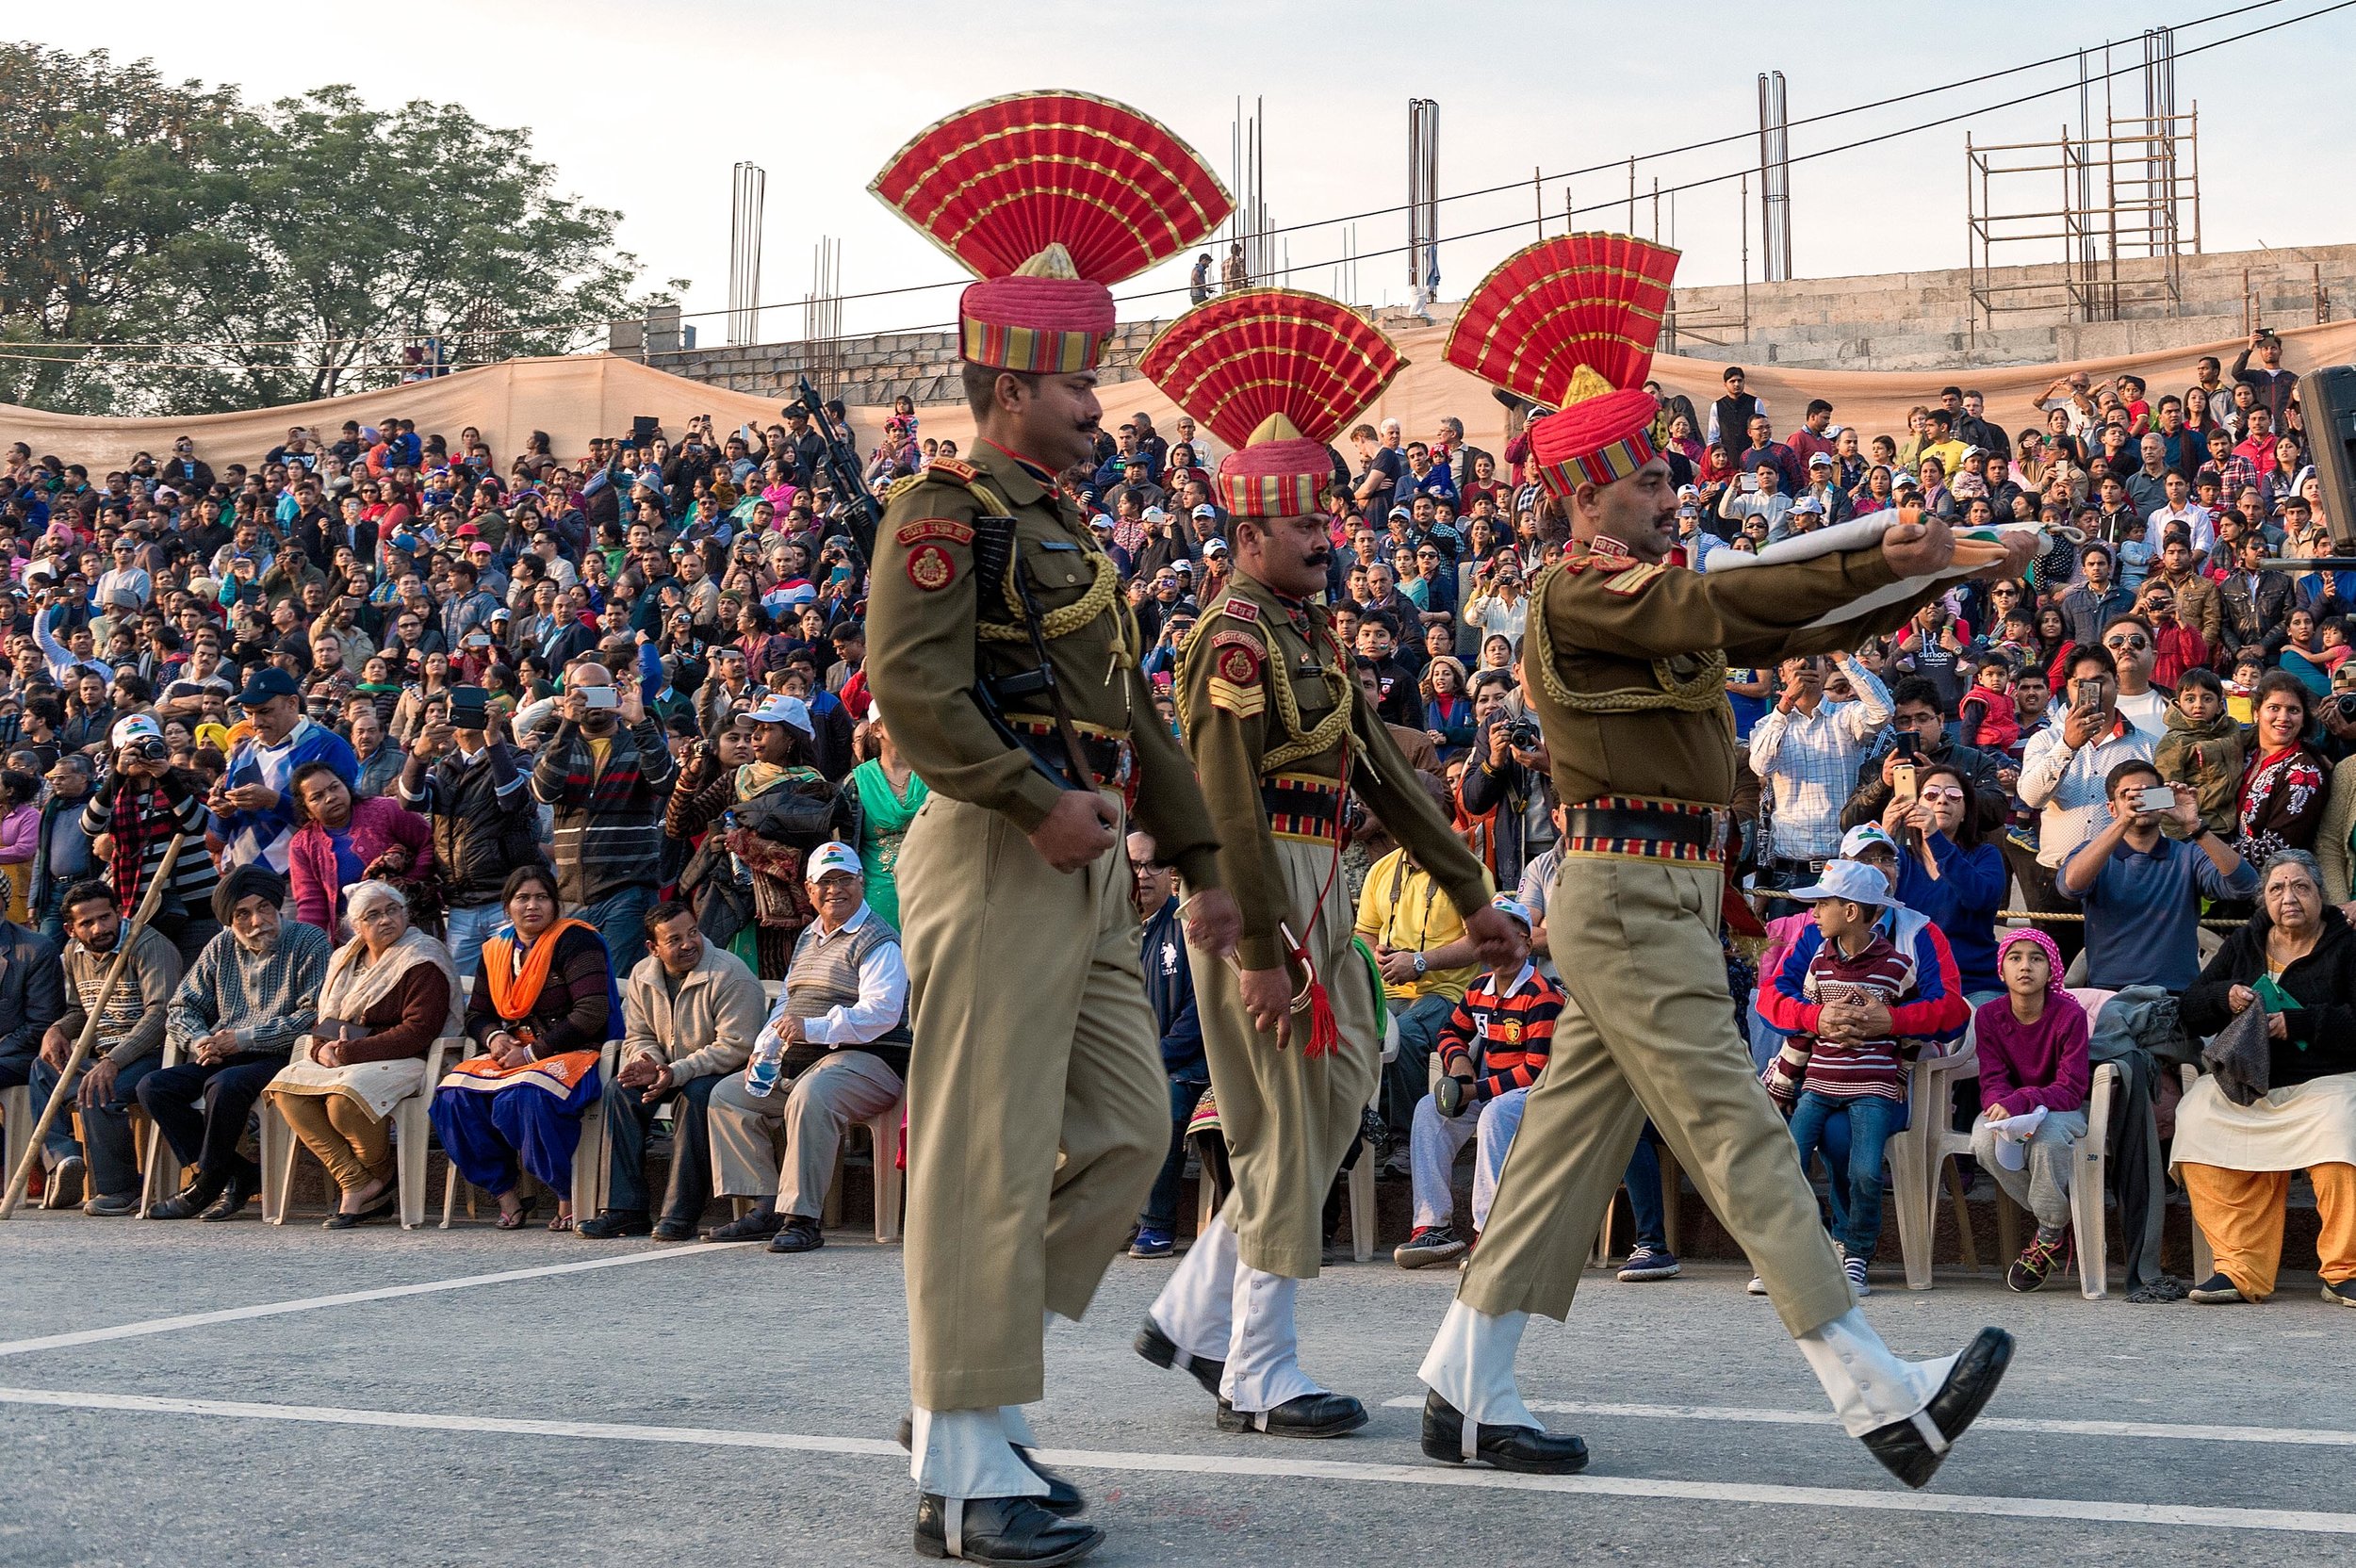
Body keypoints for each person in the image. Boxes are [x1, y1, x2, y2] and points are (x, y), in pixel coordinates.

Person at [1415, 234, 2030, 1489]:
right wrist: (1882, 559)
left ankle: (1462, 1385)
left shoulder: (1634, 581)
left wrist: (1928, 570)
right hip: (1632, 896)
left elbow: (1787, 610)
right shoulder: (1581, 593)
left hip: (1656, 896)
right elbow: (1731, 607)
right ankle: (1877, 1393)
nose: (1671, 498)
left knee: (1564, 1152)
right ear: (1587, 494)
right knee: (1743, 1134)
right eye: (1646, 485)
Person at [862, 92, 1242, 1558]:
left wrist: (1203, 861)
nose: (1102, 402)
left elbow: (1137, 715)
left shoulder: (1068, 528)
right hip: (995, 843)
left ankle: (960, 1387)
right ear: (1011, 383)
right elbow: (913, 694)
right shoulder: (940, 510)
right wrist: (1031, 805)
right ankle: (963, 1461)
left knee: (1127, 1127)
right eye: (1079, 380)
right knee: (983, 1143)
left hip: (1081, 860)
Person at [1132, 295, 1512, 1442]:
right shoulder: (1233, 639)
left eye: (1327, 521)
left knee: (1336, 1100)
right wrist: (1254, 945)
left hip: (1322, 887)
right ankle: (1257, 1368)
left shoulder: (1309, 635)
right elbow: (1227, 801)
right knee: (1281, 1131)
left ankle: (1190, 1308)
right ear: (1246, 537)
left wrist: (1473, 896)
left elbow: (1389, 784)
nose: (1325, 538)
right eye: (1302, 525)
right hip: (1262, 892)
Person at [702, 842, 909, 1251]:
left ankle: (802, 1218)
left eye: (845, 880)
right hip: (808, 1061)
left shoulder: (880, 941)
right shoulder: (808, 937)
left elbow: (880, 1015)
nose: (836, 890)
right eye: (826, 882)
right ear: (809, 890)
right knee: (728, 1096)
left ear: (861, 883)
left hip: (870, 1063)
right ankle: (765, 1204)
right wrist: (765, 1048)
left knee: (811, 1096)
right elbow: (787, 1002)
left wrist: (810, 1028)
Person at [2176, 851, 2356, 1307]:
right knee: (2196, 1119)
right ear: (2263, 900)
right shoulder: (2245, 942)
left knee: (2341, 1135)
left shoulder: (2347, 945)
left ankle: (2344, 1270)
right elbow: (2190, 1009)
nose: (2288, 897)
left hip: (2327, 1079)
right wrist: (2225, 996)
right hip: (2253, 1082)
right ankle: (2239, 1269)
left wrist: (2296, 1023)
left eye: (2301, 887)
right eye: (2276, 888)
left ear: (2321, 895)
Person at [429, 862, 621, 1233]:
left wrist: (532, 1054)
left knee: (521, 1098)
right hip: (517, 1051)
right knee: (452, 1096)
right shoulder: (496, 950)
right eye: (522, 898)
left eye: (541, 898)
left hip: (575, 1051)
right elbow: (477, 1015)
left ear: (555, 905)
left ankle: (566, 1195)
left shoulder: (575, 940)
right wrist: (495, 1038)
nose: (532, 906)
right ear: (507, 907)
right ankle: (507, 1195)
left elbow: (592, 1011)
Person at [1759, 860, 1922, 1298]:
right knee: (1785, 1162)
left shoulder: (1898, 966)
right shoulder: (1818, 962)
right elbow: (1804, 1023)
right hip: (1818, 1085)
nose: (1813, 915)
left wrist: (1900, 1064)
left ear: (1851, 912)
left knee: (1867, 1172)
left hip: (1872, 1090)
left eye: (1822, 905)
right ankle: (1794, 1251)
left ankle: (1856, 1251)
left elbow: (1914, 1026)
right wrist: (1792, 1069)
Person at [262, 879, 461, 1227]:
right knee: (285, 1090)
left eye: (392, 911)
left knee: (344, 1101)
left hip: (410, 1058)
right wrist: (323, 1050)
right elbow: (327, 1018)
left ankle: (362, 1188)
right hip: (348, 1056)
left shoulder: (423, 957)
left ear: (405, 913)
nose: (386, 920)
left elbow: (419, 1031)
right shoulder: (345, 958)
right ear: (357, 926)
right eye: (373, 915)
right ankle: (366, 1182)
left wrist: (350, 1053)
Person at [140, 866, 334, 1220]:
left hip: (281, 1055)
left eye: (263, 908)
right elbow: (182, 1006)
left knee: (223, 1084)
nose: (257, 921)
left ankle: (208, 1182)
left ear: (277, 906)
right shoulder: (220, 945)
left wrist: (243, 1039)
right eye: (242, 914)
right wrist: (200, 1041)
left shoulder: (310, 941)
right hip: (223, 1051)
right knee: (154, 1086)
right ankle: (240, 1174)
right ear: (229, 920)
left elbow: (312, 1016)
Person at [578, 899, 765, 1241]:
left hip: (723, 1074)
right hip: (669, 1070)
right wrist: (649, 1063)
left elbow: (737, 1045)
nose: (689, 943)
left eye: (692, 932)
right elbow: (638, 1034)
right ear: (653, 948)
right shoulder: (641, 975)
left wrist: (675, 1071)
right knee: (619, 1091)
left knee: (695, 1097)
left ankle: (680, 1215)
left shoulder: (729, 973)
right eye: (675, 939)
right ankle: (624, 1210)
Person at [1397, 895, 1554, 1268]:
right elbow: (1450, 1031)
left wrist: (1474, 1091)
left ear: (1526, 944)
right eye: (1484, 939)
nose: (1491, 946)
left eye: (1502, 937)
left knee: (1494, 1115)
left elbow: (1537, 1068)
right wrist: (1460, 1063)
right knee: (1428, 1109)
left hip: (1537, 1094)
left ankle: (1490, 1234)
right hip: (1490, 1088)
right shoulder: (1479, 988)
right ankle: (1431, 1226)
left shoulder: (1541, 995)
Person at [25, 879, 184, 1214]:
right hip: (102, 1054)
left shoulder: (148, 945)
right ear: (70, 929)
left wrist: (113, 1060)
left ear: (118, 912)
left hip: (150, 1055)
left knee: (97, 1090)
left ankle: (122, 1189)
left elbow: (161, 1016)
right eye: (87, 923)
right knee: (42, 1069)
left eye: (106, 917)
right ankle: (64, 1159)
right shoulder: (73, 953)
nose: (99, 928)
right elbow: (78, 1011)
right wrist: (56, 1030)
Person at [1966, 928, 2092, 1294]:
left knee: (2048, 1140)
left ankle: (2050, 1233)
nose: (2025, 967)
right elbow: (1992, 1077)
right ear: (2001, 970)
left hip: (2061, 1107)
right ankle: (2057, 1219)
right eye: (2015, 958)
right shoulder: (1989, 1015)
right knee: (1983, 1141)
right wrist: (2000, 1104)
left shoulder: (2070, 1015)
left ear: (2051, 970)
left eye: (2036, 959)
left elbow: (2071, 1089)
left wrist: (2021, 1102)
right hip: (2013, 1106)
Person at [2059, 760, 2256, 992]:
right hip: (2109, 993)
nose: (2139, 802)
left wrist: (2195, 827)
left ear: (2164, 798)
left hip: (2175, 994)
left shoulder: (2187, 854)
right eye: (2128, 795)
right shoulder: (2094, 852)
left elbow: (2246, 886)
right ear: (2111, 808)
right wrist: (2124, 821)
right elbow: (2070, 887)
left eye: (2149, 794)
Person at [529, 656, 677, 963]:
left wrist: (640, 723)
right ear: (568, 696)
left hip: (629, 891)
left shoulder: (638, 740)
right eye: (582, 692)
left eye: (600, 690)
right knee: (581, 988)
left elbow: (664, 783)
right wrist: (567, 725)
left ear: (615, 691)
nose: (591, 700)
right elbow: (544, 792)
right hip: (572, 894)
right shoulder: (558, 745)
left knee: (618, 987)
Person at [2017, 646, 2155, 965]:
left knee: (2117, 974)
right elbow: (2032, 797)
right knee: (2055, 978)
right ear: (2068, 687)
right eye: (2080, 683)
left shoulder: (2148, 744)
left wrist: (2148, 798)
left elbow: (2161, 806)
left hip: (2122, 878)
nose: (2090, 690)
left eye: (2100, 681)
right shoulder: (2044, 741)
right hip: (2055, 880)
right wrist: (2068, 745)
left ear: (2117, 685)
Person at [397, 703, 542, 979]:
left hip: (506, 898)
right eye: (455, 707)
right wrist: (419, 754)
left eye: (471, 705)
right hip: (461, 902)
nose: (462, 714)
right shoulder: (445, 768)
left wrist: (493, 740)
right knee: (462, 988)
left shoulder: (516, 756)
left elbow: (512, 799)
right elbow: (410, 801)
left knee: (516, 980)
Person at [1122, 829, 1204, 1259]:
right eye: (1134, 865)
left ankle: (1157, 1223)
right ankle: (1107, 1218)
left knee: (1163, 1101)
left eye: (1153, 864)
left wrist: (1150, 1059)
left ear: (1171, 871)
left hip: (1184, 1064)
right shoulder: (1109, 929)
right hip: (1124, 1061)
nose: (1143, 874)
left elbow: (1198, 1013)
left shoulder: (1187, 926)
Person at [212, 665, 359, 873]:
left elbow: (342, 821)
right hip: (241, 879)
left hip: (298, 881)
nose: (255, 722)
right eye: (249, 713)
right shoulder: (244, 752)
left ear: (292, 703)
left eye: (265, 711)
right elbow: (219, 835)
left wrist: (273, 801)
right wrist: (222, 812)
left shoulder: (329, 747)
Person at [286, 760, 434, 938]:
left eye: (334, 787)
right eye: (317, 797)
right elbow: (311, 905)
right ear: (307, 811)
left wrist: (407, 886)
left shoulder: (386, 809)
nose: (330, 797)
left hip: (408, 922)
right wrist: (307, 944)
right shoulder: (302, 845)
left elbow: (428, 842)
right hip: (352, 937)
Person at [846, 707, 926, 933]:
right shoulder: (857, 783)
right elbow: (848, 844)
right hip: (878, 896)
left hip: (933, 891)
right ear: (877, 729)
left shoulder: (934, 774)